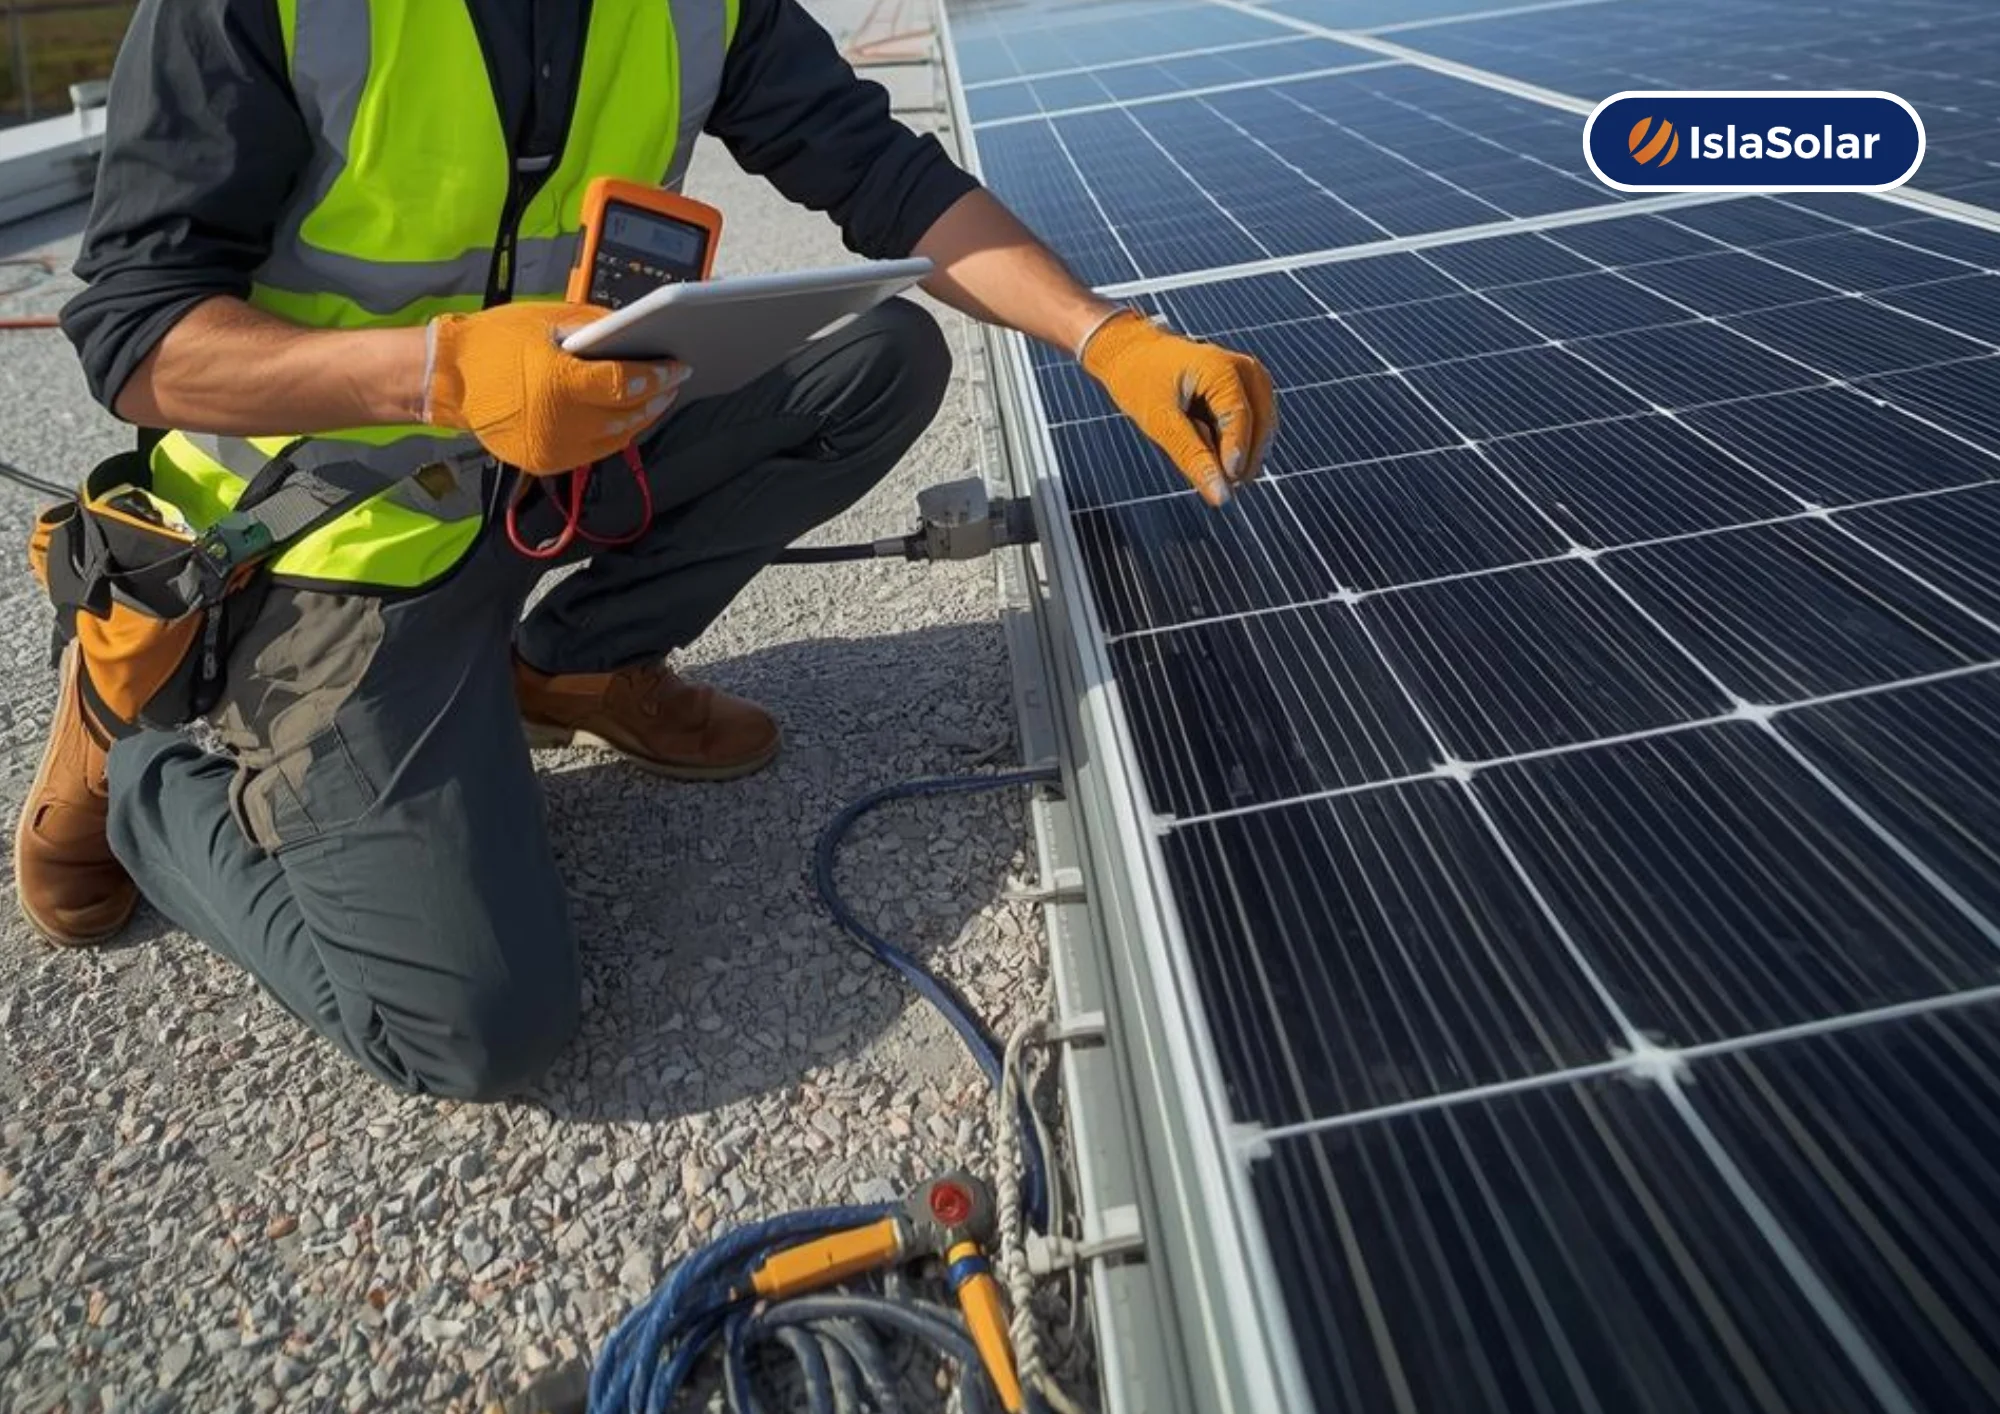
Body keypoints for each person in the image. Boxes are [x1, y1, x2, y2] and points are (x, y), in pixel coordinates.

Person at [18, 0, 1277, 1101]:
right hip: (331, 539)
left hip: (550, 466)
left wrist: (1104, 337)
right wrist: (438, 372)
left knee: (880, 361)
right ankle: (135, 754)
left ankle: (572, 663)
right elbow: (135, 336)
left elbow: (884, 174)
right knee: (474, 1028)